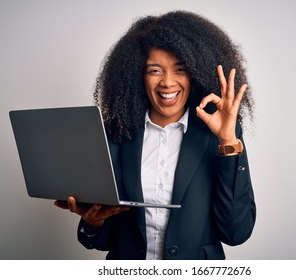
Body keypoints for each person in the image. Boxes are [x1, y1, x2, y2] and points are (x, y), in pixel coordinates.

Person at [55, 10, 256, 260]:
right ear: (137, 75)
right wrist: (92, 222)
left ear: (196, 73)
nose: (168, 82)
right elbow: (101, 239)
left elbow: (236, 233)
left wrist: (228, 142)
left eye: (180, 69)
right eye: (155, 70)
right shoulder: (116, 134)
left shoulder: (220, 136)